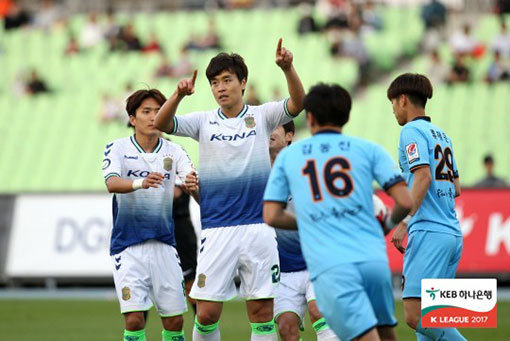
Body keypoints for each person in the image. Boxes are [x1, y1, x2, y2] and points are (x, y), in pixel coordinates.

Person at [154, 38, 305, 341]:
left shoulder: (262, 116)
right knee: (206, 313)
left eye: (226, 80)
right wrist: (179, 94)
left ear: (242, 82)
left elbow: (298, 103)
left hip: (258, 228)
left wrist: (288, 68)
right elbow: (161, 122)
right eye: (214, 82)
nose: (220, 87)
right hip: (217, 229)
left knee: (261, 313)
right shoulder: (203, 121)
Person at [263, 83, 413, 341]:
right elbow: (405, 201)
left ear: (309, 117)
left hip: (331, 262)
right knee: (387, 333)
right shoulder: (369, 149)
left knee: (359, 335)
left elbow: (271, 215)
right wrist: (387, 224)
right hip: (373, 258)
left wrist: (311, 222)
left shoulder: (291, 156)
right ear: (346, 115)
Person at [102, 88, 198, 341]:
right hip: (128, 247)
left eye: (158, 110)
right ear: (132, 119)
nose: (153, 116)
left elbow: (192, 181)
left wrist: (193, 186)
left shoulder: (174, 152)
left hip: (165, 245)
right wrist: (140, 183)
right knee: (134, 321)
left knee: (175, 321)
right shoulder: (117, 148)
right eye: (146, 111)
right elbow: (111, 183)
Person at [387, 73, 466, 340]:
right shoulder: (442, 135)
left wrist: (405, 222)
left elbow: (423, 176)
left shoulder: (410, 131)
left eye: (394, 104)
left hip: (429, 233)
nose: (394, 110)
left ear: (404, 99)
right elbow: (455, 188)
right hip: (451, 234)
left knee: (414, 315)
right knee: (433, 318)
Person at [269, 121, 339, 341]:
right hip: (283, 269)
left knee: (319, 312)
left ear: (289, 135)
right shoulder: (256, 172)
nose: (267, 133)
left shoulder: (306, 166)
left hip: (316, 261)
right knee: (286, 328)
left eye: (274, 127)